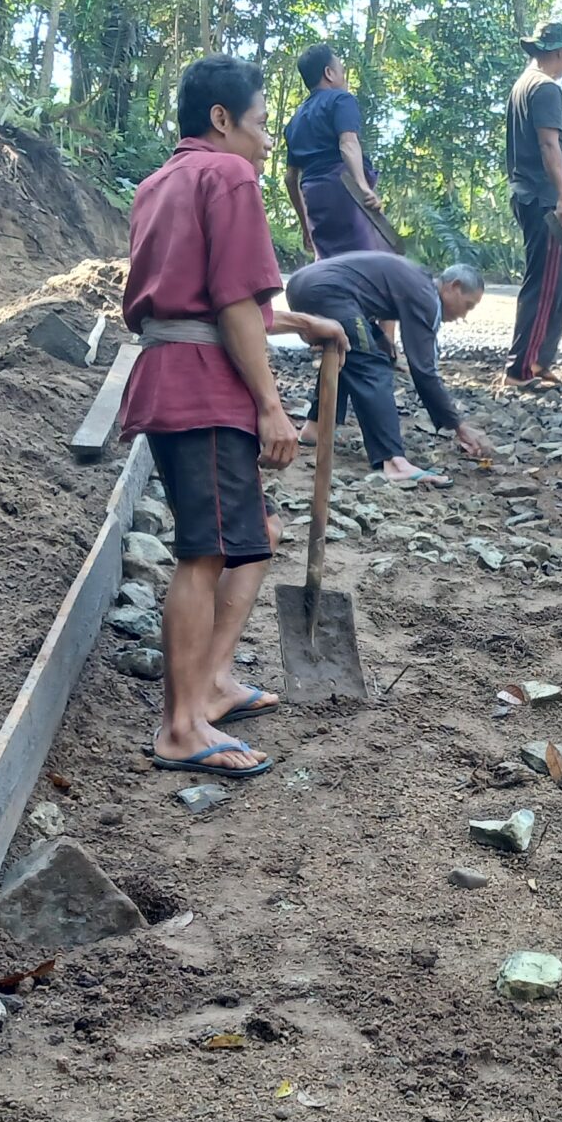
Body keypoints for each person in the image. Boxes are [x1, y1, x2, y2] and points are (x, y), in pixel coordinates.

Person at [120, 55, 347, 779]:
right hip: (204, 389)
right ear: (221, 120)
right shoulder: (229, 175)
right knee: (204, 553)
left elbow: (210, 296)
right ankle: (181, 724)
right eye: (259, 124)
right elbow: (228, 306)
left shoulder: (159, 183)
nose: (266, 141)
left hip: (168, 378)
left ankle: (212, 683)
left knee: (253, 537)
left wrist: (299, 319)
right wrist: (274, 408)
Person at [286, 253, 496, 488]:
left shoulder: (418, 284)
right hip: (327, 290)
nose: (463, 315)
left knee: (350, 351)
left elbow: (366, 297)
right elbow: (424, 370)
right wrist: (458, 425)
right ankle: (393, 462)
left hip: (305, 284)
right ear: (453, 286)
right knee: (370, 364)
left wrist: (380, 338)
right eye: (467, 305)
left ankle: (315, 428)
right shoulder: (427, 297)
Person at [505, 21, 562, 387]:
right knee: (546, 282)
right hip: (543, 198)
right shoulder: (545, 88)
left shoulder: (524, 85)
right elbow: (548, 144)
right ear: (558, 53)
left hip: (532, 194)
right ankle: (521, 368)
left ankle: (539, 360)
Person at [281, 42, 389, 260]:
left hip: (315, 199)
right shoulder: (341, 99)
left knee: (330, 262)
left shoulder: (295, 121)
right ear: (329, 73)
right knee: (365, 262)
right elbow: (348, 143)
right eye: (342, 70)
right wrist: (362, 187)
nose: (344, 77)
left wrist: (305, 225)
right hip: (344, 190)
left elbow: (291, 178)